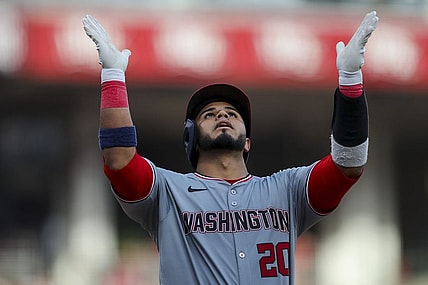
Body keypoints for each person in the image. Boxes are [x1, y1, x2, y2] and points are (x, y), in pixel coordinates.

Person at [83, 11, 378, 285]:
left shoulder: (287, 190)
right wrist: (113, 77)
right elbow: (120, 160)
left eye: (232, 114)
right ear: (192, 138)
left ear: (247, 141)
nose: (222, 115)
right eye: (209, 114)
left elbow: (348, 163)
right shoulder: (167, 192)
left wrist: (350, 82)